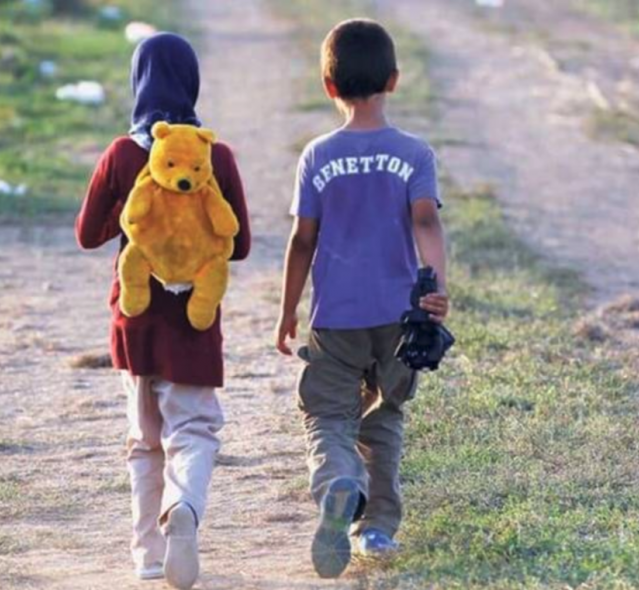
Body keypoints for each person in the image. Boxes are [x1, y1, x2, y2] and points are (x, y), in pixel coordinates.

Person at [274, 18, 449, 579]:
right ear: (393, 80)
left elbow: (303, 240)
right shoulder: (414, 153)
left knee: (328, 414)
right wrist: (436, 288)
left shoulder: (317, 156)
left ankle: (338, 481)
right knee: (385, 416)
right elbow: (426, 222)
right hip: (400, 316)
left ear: (329, 85)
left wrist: (288, 311)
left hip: (336, 317)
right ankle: (376, 528)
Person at [75, 33, 251, 589]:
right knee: (193, 429)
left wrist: (130, 220)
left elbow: (88, 234)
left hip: (134, 317)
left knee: (144, 438)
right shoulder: (214, 155)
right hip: (193, 320)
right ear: (192, 83)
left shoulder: (122, 154)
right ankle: (185, 509)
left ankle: (148, 556)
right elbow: (240, 245)